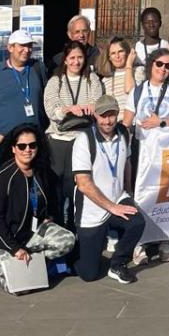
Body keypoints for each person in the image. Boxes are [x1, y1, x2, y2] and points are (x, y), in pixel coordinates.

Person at [0, 125, 75, 292]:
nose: (27, 150)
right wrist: (14, 248)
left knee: (66, 240)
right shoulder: (2, 177)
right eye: (22, 146)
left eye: (32, 145)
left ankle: (32, 261)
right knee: (19, 289)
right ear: (13, 148)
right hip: (0, 237)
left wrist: (49, 216)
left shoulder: (42, 171)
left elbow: (53, 199)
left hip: (29, 233)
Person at [71, 95, 148, 284]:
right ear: (96, 115)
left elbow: (128, 162)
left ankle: (117, 263)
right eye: (103, 115)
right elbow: (83, 183)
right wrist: (111, 207)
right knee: (89, 274)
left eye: (112, 115)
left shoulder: (123, 132)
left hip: (117, 198)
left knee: (137, 222)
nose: (107, 120)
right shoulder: (84, 140)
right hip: (92, 208)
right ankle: (71, 257)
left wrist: (128, 192)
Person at [122, 49, 169, 264]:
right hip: (142, 150)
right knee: (141, 194)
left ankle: (163, 241)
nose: (163, 69)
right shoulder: (137, 92)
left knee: (163, 196)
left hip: (167, 152)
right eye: (159, 64)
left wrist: (161, 122)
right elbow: (126, 122)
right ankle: (139, 243)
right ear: (151, 65)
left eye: (168, 66)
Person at [43, 39, 103, 231]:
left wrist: (87, 108)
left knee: (78, 185)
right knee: (59, 188)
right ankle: (60, 225)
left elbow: (97, 103)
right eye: (72, 58)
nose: (76, 62)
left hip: (82, 139)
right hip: (59, 140)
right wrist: (70, 109)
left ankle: (80, 226)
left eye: (79, 57)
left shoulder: (91, 79)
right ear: (65, 60)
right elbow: (52, 109)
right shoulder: (55, 81)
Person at [0, 30, 48, 144]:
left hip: (36, 141)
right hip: (7, 142)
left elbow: (48, 100)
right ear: (10, 48)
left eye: (29, 46)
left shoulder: (38, 68)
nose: (27, 50)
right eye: (22, 45)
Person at [133, 8, 166, 85]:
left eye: (155, 22)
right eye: (147, 22)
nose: (151, 25)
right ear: (142, 25)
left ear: (160, 23)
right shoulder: (136, 48)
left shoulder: (166, 46)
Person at [98, 35, 135, 101]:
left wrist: (129, 65)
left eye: (120, 51)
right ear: (109, 57)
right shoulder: (105, 80)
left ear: (127, 52)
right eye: (113, 53)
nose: (117, 56)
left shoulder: (137, 72)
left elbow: (130, 90)